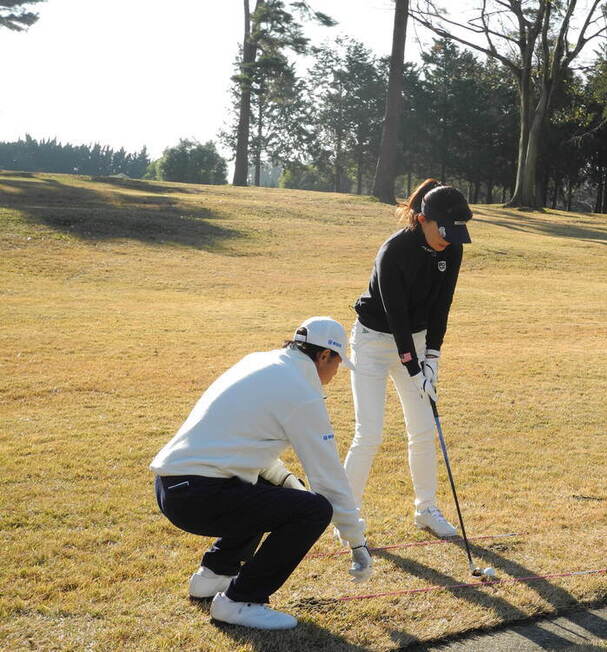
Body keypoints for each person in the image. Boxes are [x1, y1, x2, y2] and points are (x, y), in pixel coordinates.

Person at [150, 317, 371, 630]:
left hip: (170, 487)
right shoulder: (302, 391)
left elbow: (246, 447)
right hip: (199, 495)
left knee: (274, 488)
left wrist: (290, 484)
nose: (336, 373)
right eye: (337, 363)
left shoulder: (259, 362)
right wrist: (357, 542)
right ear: (324, 356)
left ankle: (213, 576)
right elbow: (328, 478)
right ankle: (239, 601)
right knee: (315, 510)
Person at [343, 179, 472, 538]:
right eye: (443, 230)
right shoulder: (394, 251)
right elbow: (395, 315)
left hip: (415, 340)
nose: (449, 239)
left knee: (423, 430)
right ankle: (346, 515)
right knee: (368, 433)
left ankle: (426, 509)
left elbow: (441, 307)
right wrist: (413, 366)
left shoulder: (452, 249)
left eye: (456, 232)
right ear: (421, 219)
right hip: (372, 341)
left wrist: (433, 356)